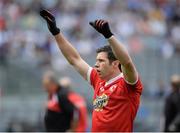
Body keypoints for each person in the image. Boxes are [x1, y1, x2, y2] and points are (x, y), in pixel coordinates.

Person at [40, 9, 143, 132]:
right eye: (97, 60)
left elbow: (127, 62)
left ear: (115, 63)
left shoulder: (127, 84)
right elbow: (74, 59)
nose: (96, 64)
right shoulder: (98, 80)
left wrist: (109, 36)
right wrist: (55, 32)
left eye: (101, 61)